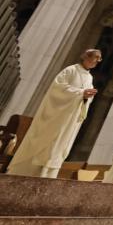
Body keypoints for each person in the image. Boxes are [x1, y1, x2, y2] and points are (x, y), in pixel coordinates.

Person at [7, 49, 101, 178]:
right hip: (57, 117)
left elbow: (85, 99)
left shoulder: (89, 77)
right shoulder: (71, 70)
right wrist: (80, 93)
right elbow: (57, 89)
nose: (96, 62)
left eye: (98, 60)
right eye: (94, 58)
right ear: (85, 57)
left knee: (58, 146)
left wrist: (86, 97)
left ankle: (48, 177)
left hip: (70, 119)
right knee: (47, 143)